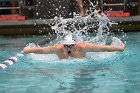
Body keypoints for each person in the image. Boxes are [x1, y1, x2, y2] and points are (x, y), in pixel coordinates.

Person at [23, 35, 125, 60]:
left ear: (75, 44)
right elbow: (41, 50)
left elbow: (103, 48)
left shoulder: (83, 47)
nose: (69, 48)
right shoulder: (57, 48)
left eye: (71, 45)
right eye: (67, 46)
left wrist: (120, 48)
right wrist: (26, 50)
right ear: (63, 45)